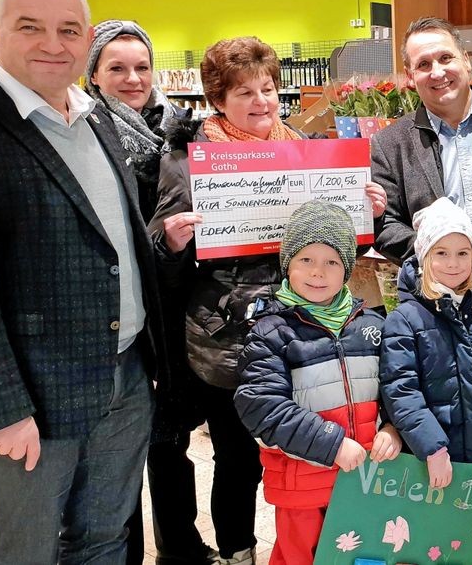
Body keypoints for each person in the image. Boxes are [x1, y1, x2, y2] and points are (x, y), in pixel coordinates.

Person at [149, 36, 389, 565]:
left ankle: (321, 547)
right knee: (238, 460)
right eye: (244, 93)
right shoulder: (191, 163)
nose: (261, 101)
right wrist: (170, 240)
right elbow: (159, 260)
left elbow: (336, 245)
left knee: (307, 452)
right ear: (217, 99)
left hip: (306, 335)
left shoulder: (305, 150)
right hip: (229, 342)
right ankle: (239, 551)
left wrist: (366, 213)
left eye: (268, 88)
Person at [0, 0, 163, 563]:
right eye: (31, 26)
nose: (54, 44)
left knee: (105, 537)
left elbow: (109, 235)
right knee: (27, 547)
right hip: (32, 398)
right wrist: (0, 412)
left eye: (69, 29)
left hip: (124, 376)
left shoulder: (96, 115)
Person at [84, 19, 207, 565]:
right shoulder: (83, 137)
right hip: (119, 312)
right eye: (116, 68)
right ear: (92, 75)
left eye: (141, 67)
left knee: (171, 440)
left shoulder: (185, 134)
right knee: (119, 451)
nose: (132, 78)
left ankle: (179, 544)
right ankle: (124, 550)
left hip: (175, 310)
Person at [235, 201, 402, 565]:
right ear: (287, 265)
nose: (318, 273)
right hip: (303, 486)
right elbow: (262, 406)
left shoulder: (370, 325)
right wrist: (332, 445)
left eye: (331, 262)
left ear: (346, 269)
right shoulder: (271, 331)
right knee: (301, 557)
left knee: (366, 556)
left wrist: (392, 427)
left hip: (366, 482)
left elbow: (395, 384)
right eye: (306, 260)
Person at [371, 16, 472, 332]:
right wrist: (440, 247)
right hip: (435, 307)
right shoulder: (390, 143)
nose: (437, 72)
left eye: (445, 58)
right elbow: (384, 225)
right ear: (410, 76)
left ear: (466, 61)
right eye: (424, 64)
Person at [379, 197, 472, 489]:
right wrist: (431, 447)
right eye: (441, 252)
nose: (453, 263)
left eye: (463, 253)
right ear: (424, 256)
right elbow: (400, 390)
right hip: (439, 459)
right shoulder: (405, 320)